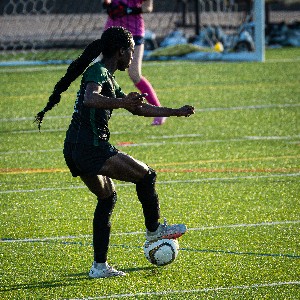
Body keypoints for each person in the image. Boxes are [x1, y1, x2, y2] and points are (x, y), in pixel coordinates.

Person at [35, 26, 194, 278]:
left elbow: (138, 109)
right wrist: (122, 102)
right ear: (121, 52)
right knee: (147, 175)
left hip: (75, 148)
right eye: (131, 52)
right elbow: (90, 98)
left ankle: (99, 267)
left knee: (107, 198)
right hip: (91, 147)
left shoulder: (109, 76)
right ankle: (154, 230)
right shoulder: (98, 72)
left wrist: (175, 111)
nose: (132, 58)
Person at [103, 0, 165, 125]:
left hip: (134, 32)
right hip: (113, 30)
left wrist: (128, 10)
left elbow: (148, 7)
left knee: (134, 74)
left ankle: (159, 111)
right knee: (101, 70)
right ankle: (95, 113)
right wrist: (108, 5)